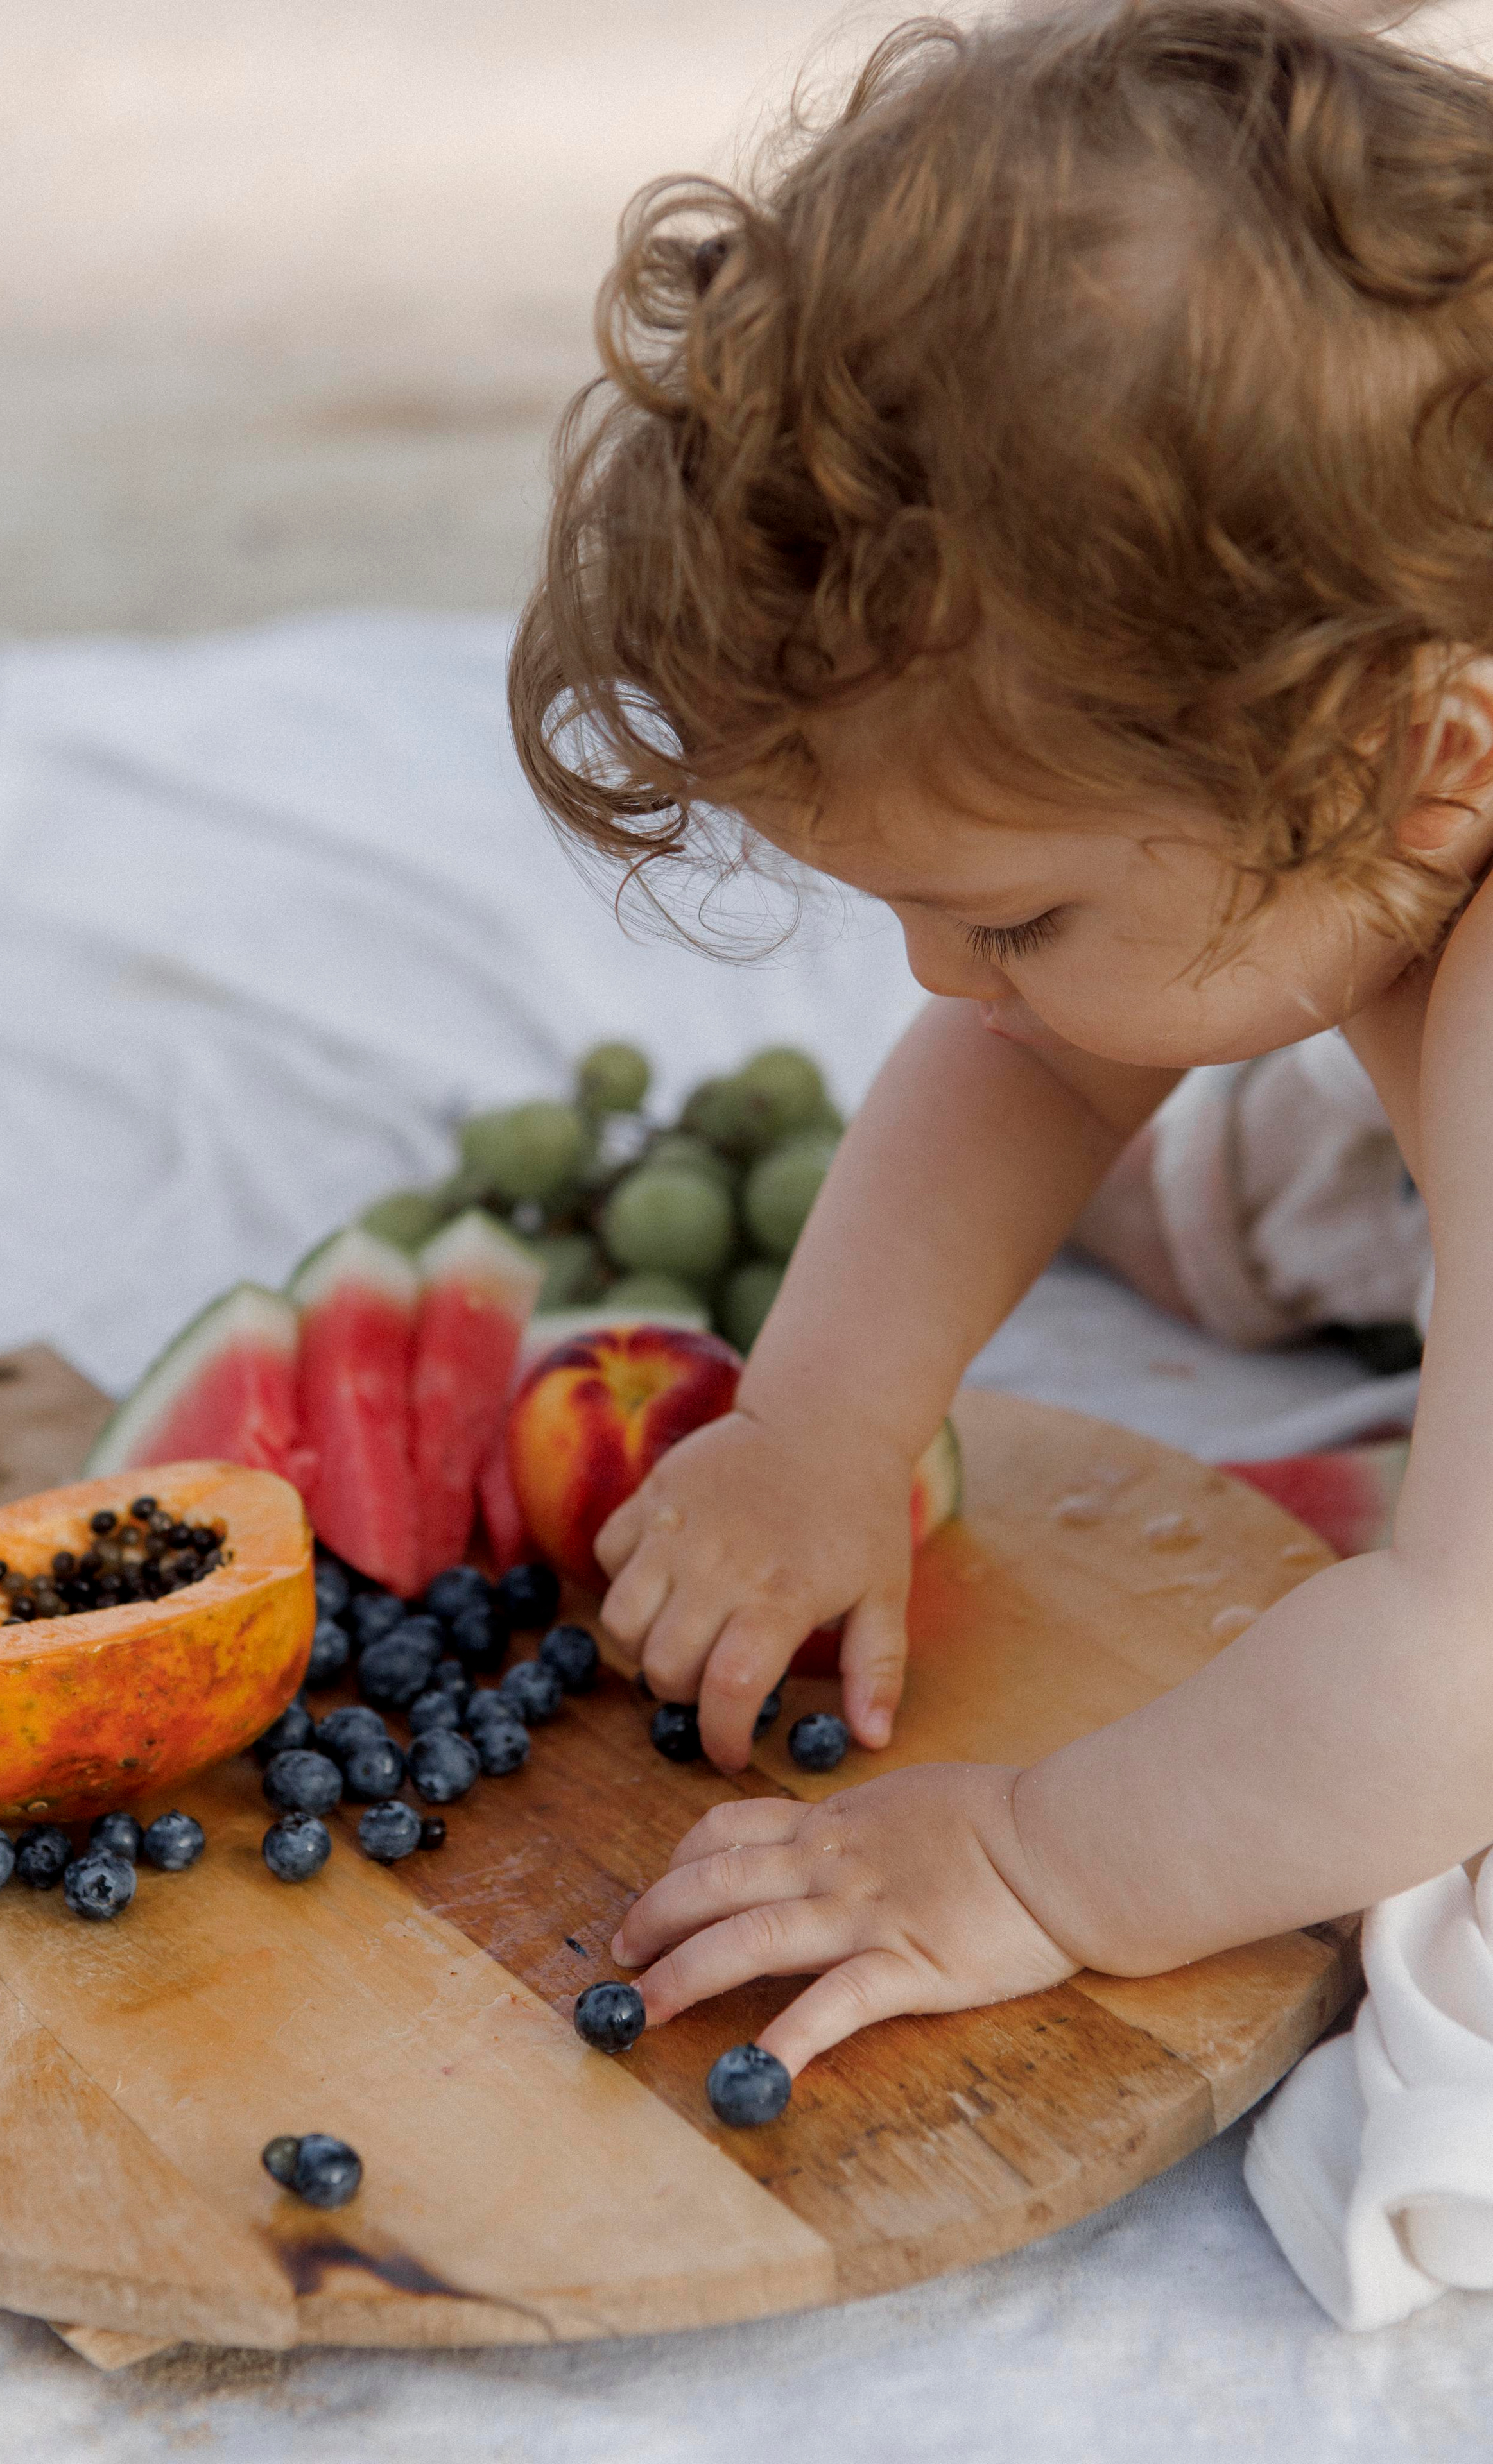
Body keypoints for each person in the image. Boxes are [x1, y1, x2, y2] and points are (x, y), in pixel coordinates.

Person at [507, 0, 1493, 2080]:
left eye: (1013, 914)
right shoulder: (1378, 778)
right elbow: (1038, 1064)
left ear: (1425, 766)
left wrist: (1041, 1863)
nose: (942, 984)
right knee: (1164, 1089)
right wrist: (823, 1430)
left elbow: (1460, 1677)